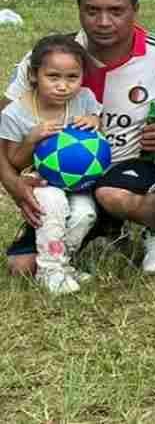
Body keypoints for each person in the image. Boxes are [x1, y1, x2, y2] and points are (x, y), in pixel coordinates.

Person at [3, 0, 155, 278]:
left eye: (116, 11)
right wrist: (14, 186)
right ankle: (105, 228)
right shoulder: (49, 59)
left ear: (135, 9)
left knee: (113, 194)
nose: (104, 22)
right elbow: (4, 127)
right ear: (78, 7)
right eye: (92, 11)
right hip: (65, 180)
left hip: (137, 172)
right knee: (22, 268)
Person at [0, 37, 102, 294]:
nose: (63, 86)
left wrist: (94, 122)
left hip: (78, 183)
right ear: (34, 75)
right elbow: (13, 161)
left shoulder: (85, 99)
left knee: (84, 214)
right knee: (53, 206)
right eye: (53, 77)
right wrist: (32, 140)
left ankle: (62, 263)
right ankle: (50, 271)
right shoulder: (15, 113)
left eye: (72, 77)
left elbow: (98, 139)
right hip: (39, 182)